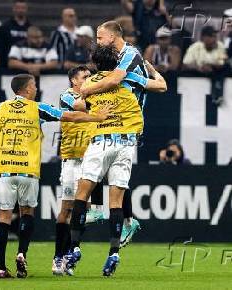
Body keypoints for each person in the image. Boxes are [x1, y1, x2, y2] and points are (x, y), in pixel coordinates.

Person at [0, 73, 111, 278]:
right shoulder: (37, 108)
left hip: (4, 171)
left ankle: (1, 267)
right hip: (28, 171)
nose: (37, 89)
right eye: (35, 86)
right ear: (28, 89)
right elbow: (69, 116)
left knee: (3, 218)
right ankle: (22, 252)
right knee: (27, 214)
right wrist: (96, 116)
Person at [66, 45, 166, 277]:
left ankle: (74, 248)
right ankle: (113, 253)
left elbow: (78, 103)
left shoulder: (89, 84)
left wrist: (93, 100)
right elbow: (161, 85)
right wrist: (150, 68)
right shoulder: (130, 78)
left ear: (95, 63)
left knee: (82, 195)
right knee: (117, 201)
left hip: (101, 141)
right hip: (126, 144)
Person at [51, 65, 106, 276]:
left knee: (83, 211)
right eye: (85, 77)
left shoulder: (94, 96)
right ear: (74, 80)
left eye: (91, 76)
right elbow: (79, 107)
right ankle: (58, 256)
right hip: (71, 161)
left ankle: (71, 253)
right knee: (66, 210)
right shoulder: (67, 96)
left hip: (90, 161)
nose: (89, 79)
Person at [0, 0, 31, 68]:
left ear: (26, 9)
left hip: (26, 64)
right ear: (14, 9)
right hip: (8, 65)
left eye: (23, 8)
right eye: (18, 8)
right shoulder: (4, 27)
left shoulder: (30, 27)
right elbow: (0, 47)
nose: (20, 10)